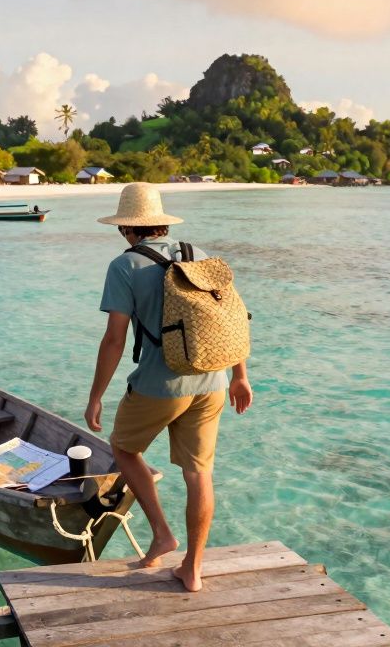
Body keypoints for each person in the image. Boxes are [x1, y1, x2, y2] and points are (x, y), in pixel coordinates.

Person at [85, 182, 253, 592]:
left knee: (124, 448)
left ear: (127, 227)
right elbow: (232, 319)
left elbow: (114, 339)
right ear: (161, 224)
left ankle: (161, 532)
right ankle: (192, 571)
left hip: (161, 385)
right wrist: (240, 376)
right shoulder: (201, 255)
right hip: (211, 381)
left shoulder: (125, 266)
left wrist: (95, 396)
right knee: (199, 474)